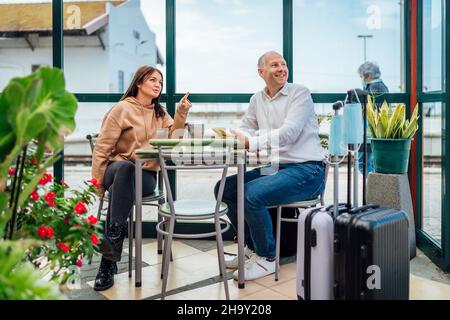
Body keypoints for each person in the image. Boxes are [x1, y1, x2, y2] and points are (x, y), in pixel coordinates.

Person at [214, 51, 326, 281]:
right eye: (275, 64)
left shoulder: (299, 93)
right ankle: (252, 249)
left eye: (283, 64)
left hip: (308, 169)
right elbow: (248, 127)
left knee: (252, 194)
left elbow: (289, 132)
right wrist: (234, 135)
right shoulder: (257, 99)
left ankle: (267, 258)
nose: (282, 68)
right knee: (224, 188)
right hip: (277, 167)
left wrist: (251, 142)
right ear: (261, 72)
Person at [91, 66, 192, 291]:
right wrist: (97, 185)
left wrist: (181, 113)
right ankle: (110, 259)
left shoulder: (160, 113)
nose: (158, 85)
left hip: (145, 174)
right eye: (153, 80)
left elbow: (174, 140)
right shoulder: (121, 109)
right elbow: (102, 149)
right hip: (116, 170)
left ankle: (108, 260)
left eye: (160, 82)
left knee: (129, 174)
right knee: (126, 169)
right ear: (139, 83)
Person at [357, 61, 389, 174]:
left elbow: (376, 108)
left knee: (362, 164)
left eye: (361, 76)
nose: (361, 79)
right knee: (368, 163)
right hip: (371, 131)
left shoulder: (375, 87)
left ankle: (374, 186)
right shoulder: (380, 86)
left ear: (368, 75)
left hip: (370, 131)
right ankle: (374, 186)